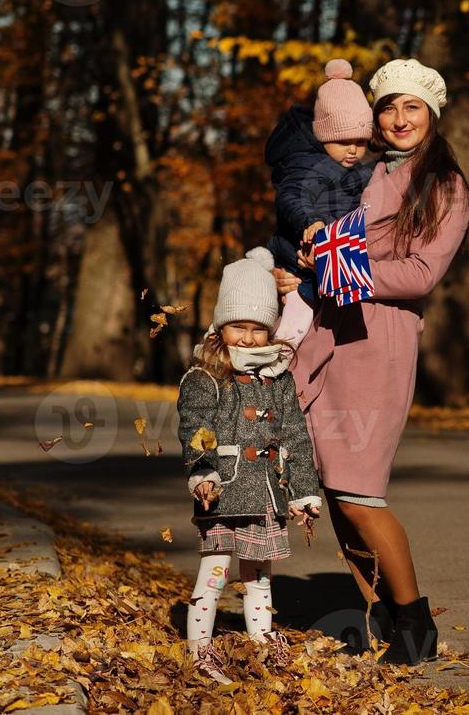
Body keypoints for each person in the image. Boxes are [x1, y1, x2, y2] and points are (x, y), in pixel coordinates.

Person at [283, 57, 469, 666]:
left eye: (410, 107)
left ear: (432, 115)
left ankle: (415, 626)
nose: (397, 118)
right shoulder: (356, 170)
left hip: (378, 341)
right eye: (387, 107)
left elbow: (421, 272)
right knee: (334, 491)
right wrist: (300, 265)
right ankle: (379, 621)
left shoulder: (443, 184)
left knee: (360, 491)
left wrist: (340, 271)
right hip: (325, 333)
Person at [177, 248, 322, 683]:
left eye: (260, 329)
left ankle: (261, 642)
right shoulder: (205, 376)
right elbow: (195, 427)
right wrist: (202, 470)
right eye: (239, 326)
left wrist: (302, 491)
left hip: (267, 493)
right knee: (216, 568)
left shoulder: (279, 374)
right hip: (222, 488)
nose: (249, 338)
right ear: (222, 326)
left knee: (259, 574)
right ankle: (199, 649)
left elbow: (295, 436)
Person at [264, 58, 375, 309]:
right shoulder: (306, 164)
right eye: (343, 141)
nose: (353, 150)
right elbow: (290, 196)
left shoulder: (355, 169)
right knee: (297, 324)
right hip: (298, 262)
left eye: (360, 142)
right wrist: (311, 220)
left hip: (327, 266)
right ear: (324, 136)